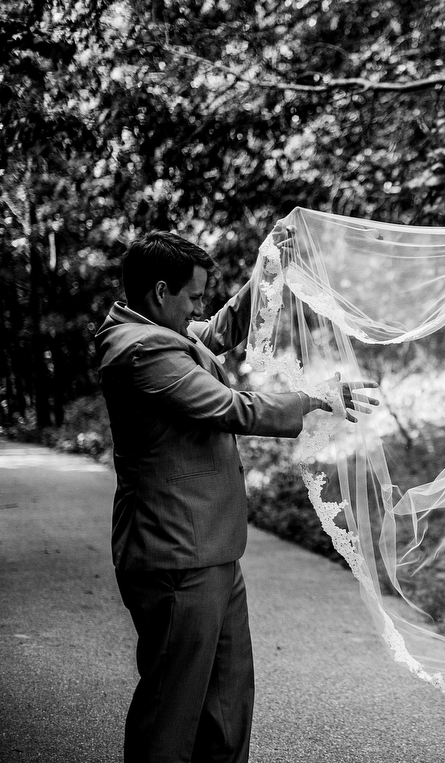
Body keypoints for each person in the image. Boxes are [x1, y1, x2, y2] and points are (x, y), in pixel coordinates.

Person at [95, 230, 376, 763]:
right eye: (193, 296)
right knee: (171, 712)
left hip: (213, 548)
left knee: (228, 705)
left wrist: (270, 270)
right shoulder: (139, 350)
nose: (200, 307)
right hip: (177, 554)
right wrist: (314, 399)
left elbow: (222, 328)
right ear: (160, 292)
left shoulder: (161, 331)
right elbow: (230, 407)